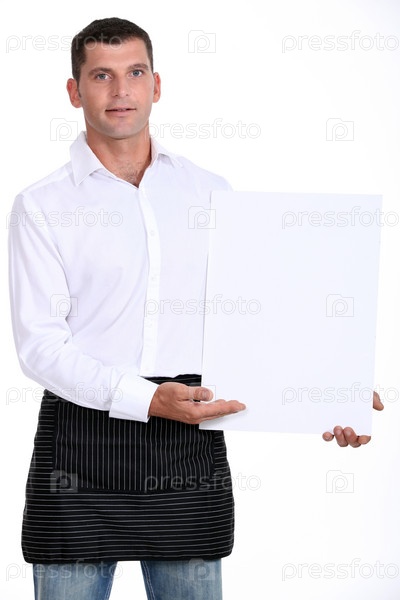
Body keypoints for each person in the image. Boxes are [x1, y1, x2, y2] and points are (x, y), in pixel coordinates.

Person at [8, 17, 383, 600]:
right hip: (79, 447)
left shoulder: (211, 192)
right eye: (101, 76)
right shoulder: (41, 206)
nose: (121, 90)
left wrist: (330, 387)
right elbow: (40, 347)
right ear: (74, 91)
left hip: (188, 440)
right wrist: (147, 398)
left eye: (135, 73)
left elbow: (256, 314)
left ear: (157, 85)